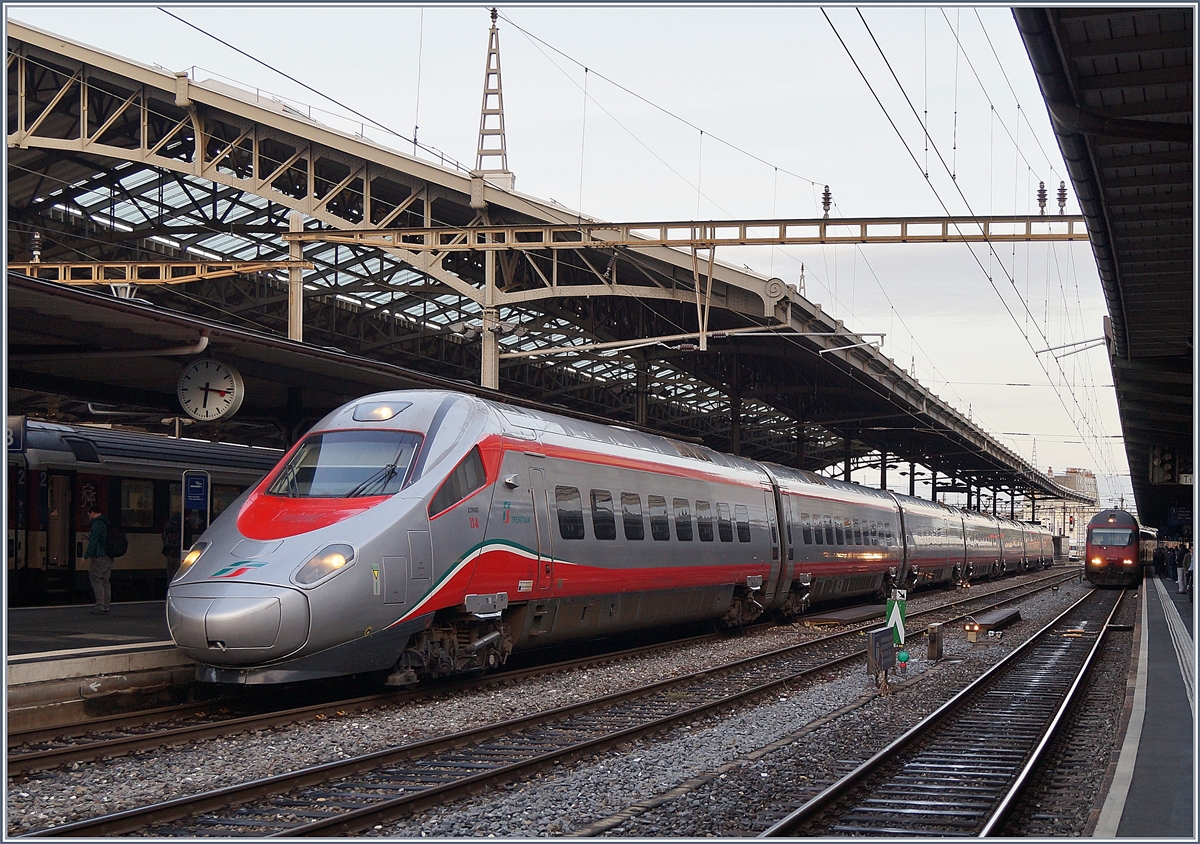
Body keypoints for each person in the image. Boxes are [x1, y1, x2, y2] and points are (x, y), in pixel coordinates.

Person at [83, 506, 112, 614]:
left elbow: (93, 542)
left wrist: (85, 556)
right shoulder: (107, 522)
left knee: (97, 580)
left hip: (99, 556)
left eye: (89, 514)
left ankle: (100, 605)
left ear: (92, 513)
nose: (89, 517)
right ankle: (106, 605)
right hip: (108, 556)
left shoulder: (97, 524)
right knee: (105, 581)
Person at [160, 514, 193, 582]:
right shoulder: (186, 524)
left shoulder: (171, 523)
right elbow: (188, 540)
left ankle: (169, 587)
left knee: (169, 573)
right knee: (177, 574)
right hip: (178, 553)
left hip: (168, 551)